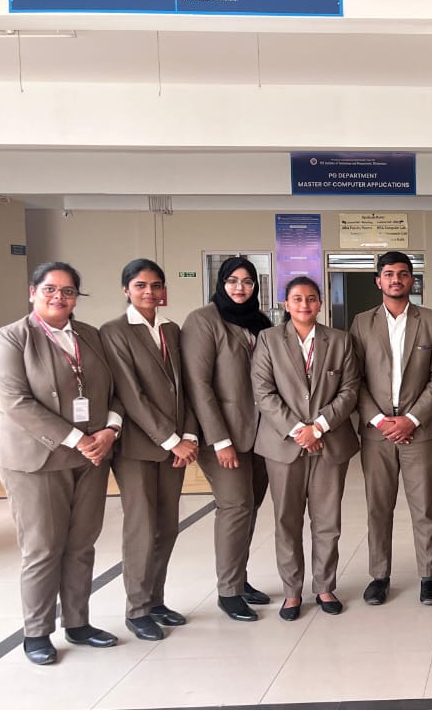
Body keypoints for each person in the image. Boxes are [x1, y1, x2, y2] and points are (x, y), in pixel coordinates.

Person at [0, 262, 124, 664]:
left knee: (82, 543)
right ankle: (37, 632)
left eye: (68, 291)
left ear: (77, 297)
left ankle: (78, 623)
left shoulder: (91, 336)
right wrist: (79, 439)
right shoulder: (11, 337)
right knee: (43, 547)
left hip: (92, 455)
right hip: (35, 457)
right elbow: (15, 402)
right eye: (50, 289)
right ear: (33, 292)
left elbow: (117, 390)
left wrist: (110, 430)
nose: (59, 297)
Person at [250, 276, 360, 621]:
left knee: (327, 520)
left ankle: (325, 586)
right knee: (287, 520)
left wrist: (320, 427)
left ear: (320, 303)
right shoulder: (269, 339)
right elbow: (263, 391)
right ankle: (292, 591)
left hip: (330, 442)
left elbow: (350, 389)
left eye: (311, 298)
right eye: (297, 299)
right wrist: (300, 430)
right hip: (284, 444)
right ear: (286, 304)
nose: (304, 305)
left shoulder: (340, 340)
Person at [101, 259, 198, 642]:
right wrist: (172, 439)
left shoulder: (172, 329)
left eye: (156, 285)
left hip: (176, 447)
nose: (149, 292)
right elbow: (131, 394)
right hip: (139, 448)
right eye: (140, 285)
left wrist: (188, 435)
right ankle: (137, 609)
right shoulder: (114, 332)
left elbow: (186, 387)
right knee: (142, 527)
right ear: (126, 289)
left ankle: (156, 600)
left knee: (167, 526)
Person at [351, 251, 432, 606]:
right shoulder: (362, 323)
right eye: (389, 274)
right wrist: (379, 420)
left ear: (412, 280)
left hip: (419, 431)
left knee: (424, 508)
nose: (396, 279)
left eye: (403, 274)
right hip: (376, 432)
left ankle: (428, 576)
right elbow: (354, 379)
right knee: (378, 508)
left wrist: (412, 418)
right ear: (378, 281)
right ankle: (379, 576)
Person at [180, 256, 274, 622]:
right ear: (220, 283)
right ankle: (229, 591)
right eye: (232, 280)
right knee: (235, 506)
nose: (240, 287)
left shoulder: (260, 323)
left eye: (247, 281)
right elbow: (198, 384)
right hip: (224, 436)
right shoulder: (204, 321)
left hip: (261, 433)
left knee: (249, 507)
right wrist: (220, 440)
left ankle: (240, 577)